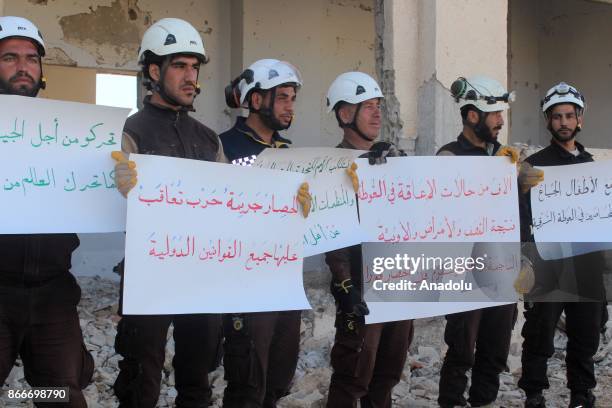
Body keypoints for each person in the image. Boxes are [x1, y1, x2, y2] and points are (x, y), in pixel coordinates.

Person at [111, 18, 225, 408]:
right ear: (154, 71)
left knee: (197, 380)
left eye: (195, 66)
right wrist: (119, 190)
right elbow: (106, 207)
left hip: (201, 274)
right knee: (141, 380)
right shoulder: (128, 133)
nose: (191, 75)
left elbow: (231, 207)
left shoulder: (209, 139)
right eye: (180, 65)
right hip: (149, 274)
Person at [0, 16, 94, 408]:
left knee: (58, 395)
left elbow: (99, 191)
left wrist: (125, 181)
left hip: (53, 293)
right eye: (9, 57)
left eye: (31, 58)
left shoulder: (72, 132)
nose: (23, 67)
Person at [436, 75, 540, 408]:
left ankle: (482, 402)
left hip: (501, 270)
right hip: (463, 273)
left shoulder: (505, 159)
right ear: (472, 116)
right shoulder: (447, 157)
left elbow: (518, 219)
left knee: (494, 351)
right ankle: (451, 401)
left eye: (501, 114)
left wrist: (522, 187)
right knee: (462, 349)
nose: (500, 121)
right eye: (494, 114)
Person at [219, 58, 307, 408]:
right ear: (256, 101)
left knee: (278, 379)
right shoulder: (223, 147)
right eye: (282, 97)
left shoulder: (292, 154)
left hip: (285, 282)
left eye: (292, 98)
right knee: (246, 382)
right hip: (245, 285)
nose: (290, 106)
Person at [324, 71, 414, 408]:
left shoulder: (391, 160)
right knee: (353, 374)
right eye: (367, 107)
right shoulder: (330, 166)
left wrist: (398, 167)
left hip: (399, 285)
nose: (378, 113)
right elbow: (330, 234)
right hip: (360, 290)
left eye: (379, 106)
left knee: (387, 375)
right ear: (345, 115)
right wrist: (346, 286)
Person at [518, 82, 605, 408]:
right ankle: (534, 393)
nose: (564, 122)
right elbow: (522, 216)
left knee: (586, 335)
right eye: (557, 117)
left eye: (569, 115)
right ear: (548, 121)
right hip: (549, 267)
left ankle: (582, 394)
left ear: (579, 119)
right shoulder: (533, 167)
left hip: (586, 266)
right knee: (540, 334)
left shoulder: (593, 166)